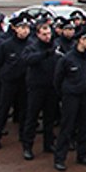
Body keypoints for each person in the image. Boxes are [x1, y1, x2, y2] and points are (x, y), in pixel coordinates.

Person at [53, 23, 86, 172]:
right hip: (71, 96)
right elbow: (57, 80)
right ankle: (60, 158)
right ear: (80, 40)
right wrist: (65, 94)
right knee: (67, 127)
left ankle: (82, 154)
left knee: (84, 126)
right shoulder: (67, 59)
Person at [20, 16, 62, 160]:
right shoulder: (31, 47)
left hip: (51, 87)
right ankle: (27, 146)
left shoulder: (55, 46)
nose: (47, 37)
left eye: (49, 33)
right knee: (32, 117)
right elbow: (27, 59)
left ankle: (48, 143)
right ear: (38, 34)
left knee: (49, 118)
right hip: (36, 87)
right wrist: (45, 54)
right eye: (44, 34)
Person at [0, 15, 32, 150]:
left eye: (26, 27)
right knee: (3, 108)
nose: (24, 30)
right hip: (9, 81)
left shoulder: (32, 44)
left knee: (24, 109)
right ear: (15, 29)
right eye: (21, 27)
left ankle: (23, 134)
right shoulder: (6, 45)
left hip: (25, 82)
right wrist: (5, 74)